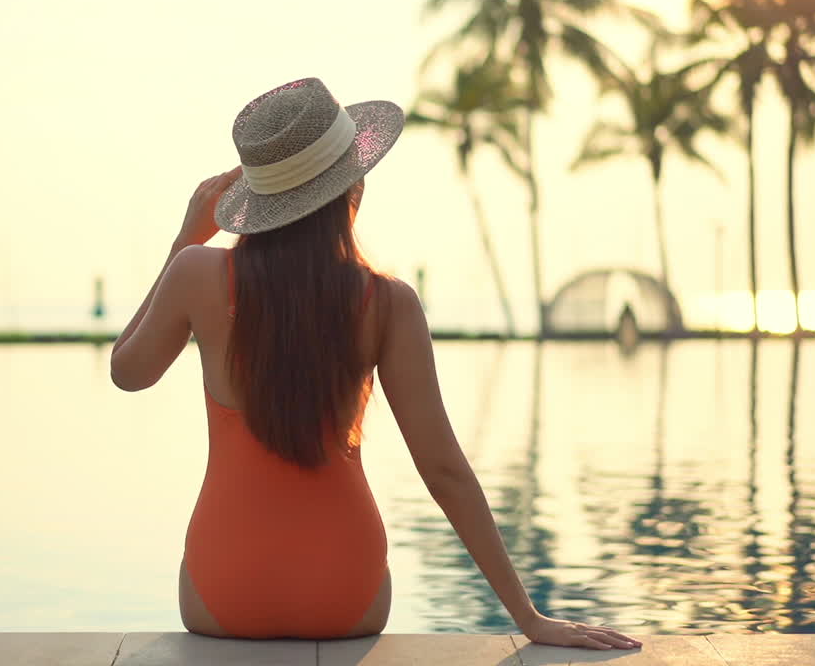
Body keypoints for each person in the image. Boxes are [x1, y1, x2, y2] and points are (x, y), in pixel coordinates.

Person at [110, 77, 642, 650]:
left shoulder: (194, 275)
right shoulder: (388, 303)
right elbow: (443, 470)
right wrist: (529, 618)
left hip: (223, 594)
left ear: (259, 202)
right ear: (349, 190)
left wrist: (184, 241)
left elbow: (127, 371)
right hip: (347, 595)